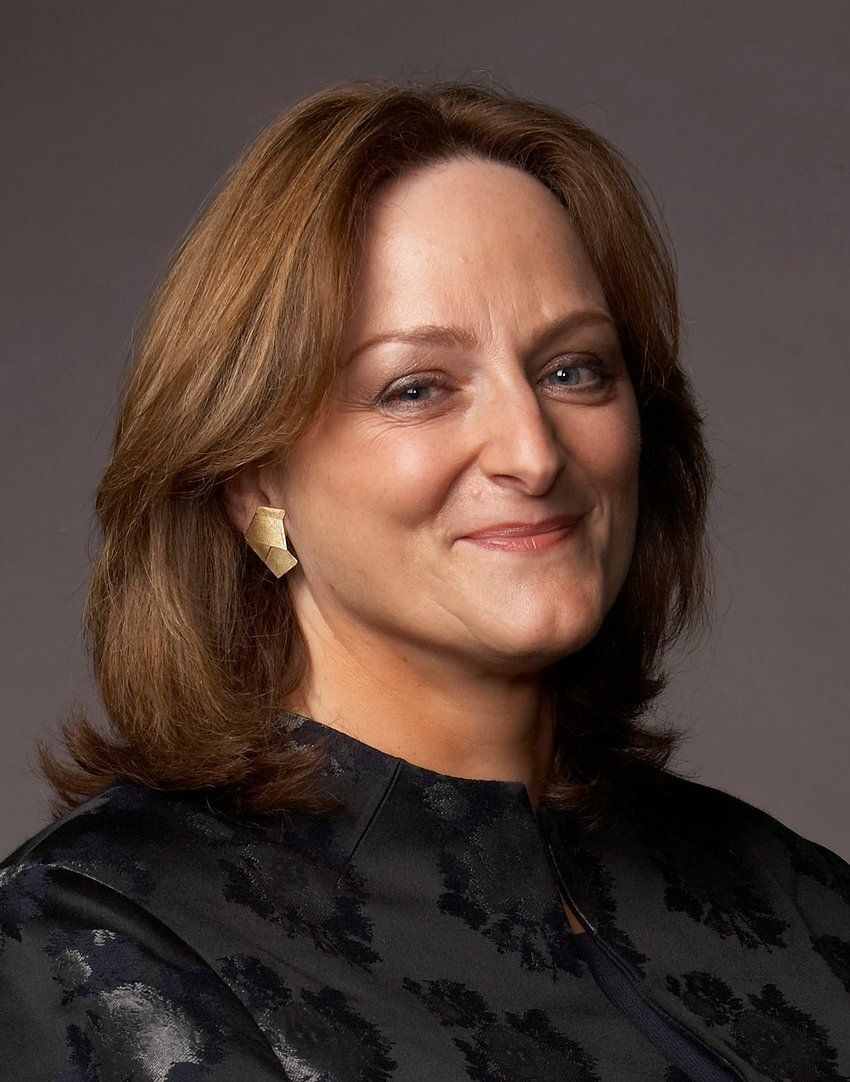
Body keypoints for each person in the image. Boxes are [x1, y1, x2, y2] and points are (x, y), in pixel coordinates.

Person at [1, 76, 848, 1081]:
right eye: (416, 388)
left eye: (573, 369)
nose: (532, 452)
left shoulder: (797, 899)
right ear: (249, 477)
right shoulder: (92, 941)